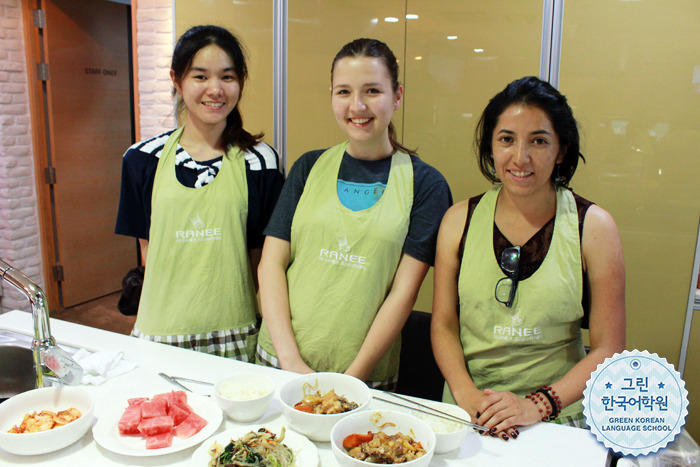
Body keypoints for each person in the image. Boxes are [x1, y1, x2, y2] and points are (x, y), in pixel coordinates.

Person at [431, 76, 625, 439]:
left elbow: (608, 347)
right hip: (470, 413)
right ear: (490, 146)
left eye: (538, 141)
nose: (520, 158)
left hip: (556, 418)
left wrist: (535, 406)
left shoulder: (594, 228)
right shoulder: (458, 220)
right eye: (507, 139)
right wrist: (468, 396)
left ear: (562, 150)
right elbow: (443, 324)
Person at [256, 38, 452, 390]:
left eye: (372, 90)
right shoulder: (308, 167)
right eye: (344, 91)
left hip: (364, 378)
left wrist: (352, 379)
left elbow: (403, 294)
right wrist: (289, 360)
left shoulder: (426, 185)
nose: (357, 105)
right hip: (280, 361)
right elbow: (271, 264)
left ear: (397, 96)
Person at [115, 25, 283, 360]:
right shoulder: (142, 159)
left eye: (227, 77)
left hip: (234, 326)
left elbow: (259, 257)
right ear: (176, 80)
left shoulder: (260, 161)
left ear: (241, 82)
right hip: (161, 327)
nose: (215, 89)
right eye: (200, 76)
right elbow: (148, 248)